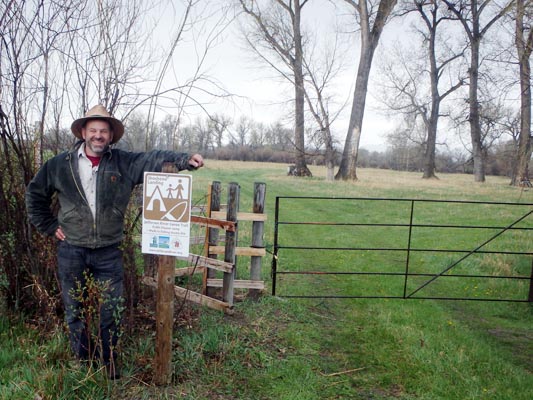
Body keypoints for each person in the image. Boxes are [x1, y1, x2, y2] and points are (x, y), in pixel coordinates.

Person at [25, 104, 204, 379]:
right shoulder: (59, 165)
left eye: (104, 131)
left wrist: (184, 159)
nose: (98, 136)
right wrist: (49, 225)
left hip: (108, 251)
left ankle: (109, 363)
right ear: (83, 132)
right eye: (93, 130)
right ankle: (84, 362)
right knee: (75, 310)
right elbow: (35, 195)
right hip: (71, 249)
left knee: (111, 310)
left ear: (111, 136)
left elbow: (152, 158)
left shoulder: (122, 162)